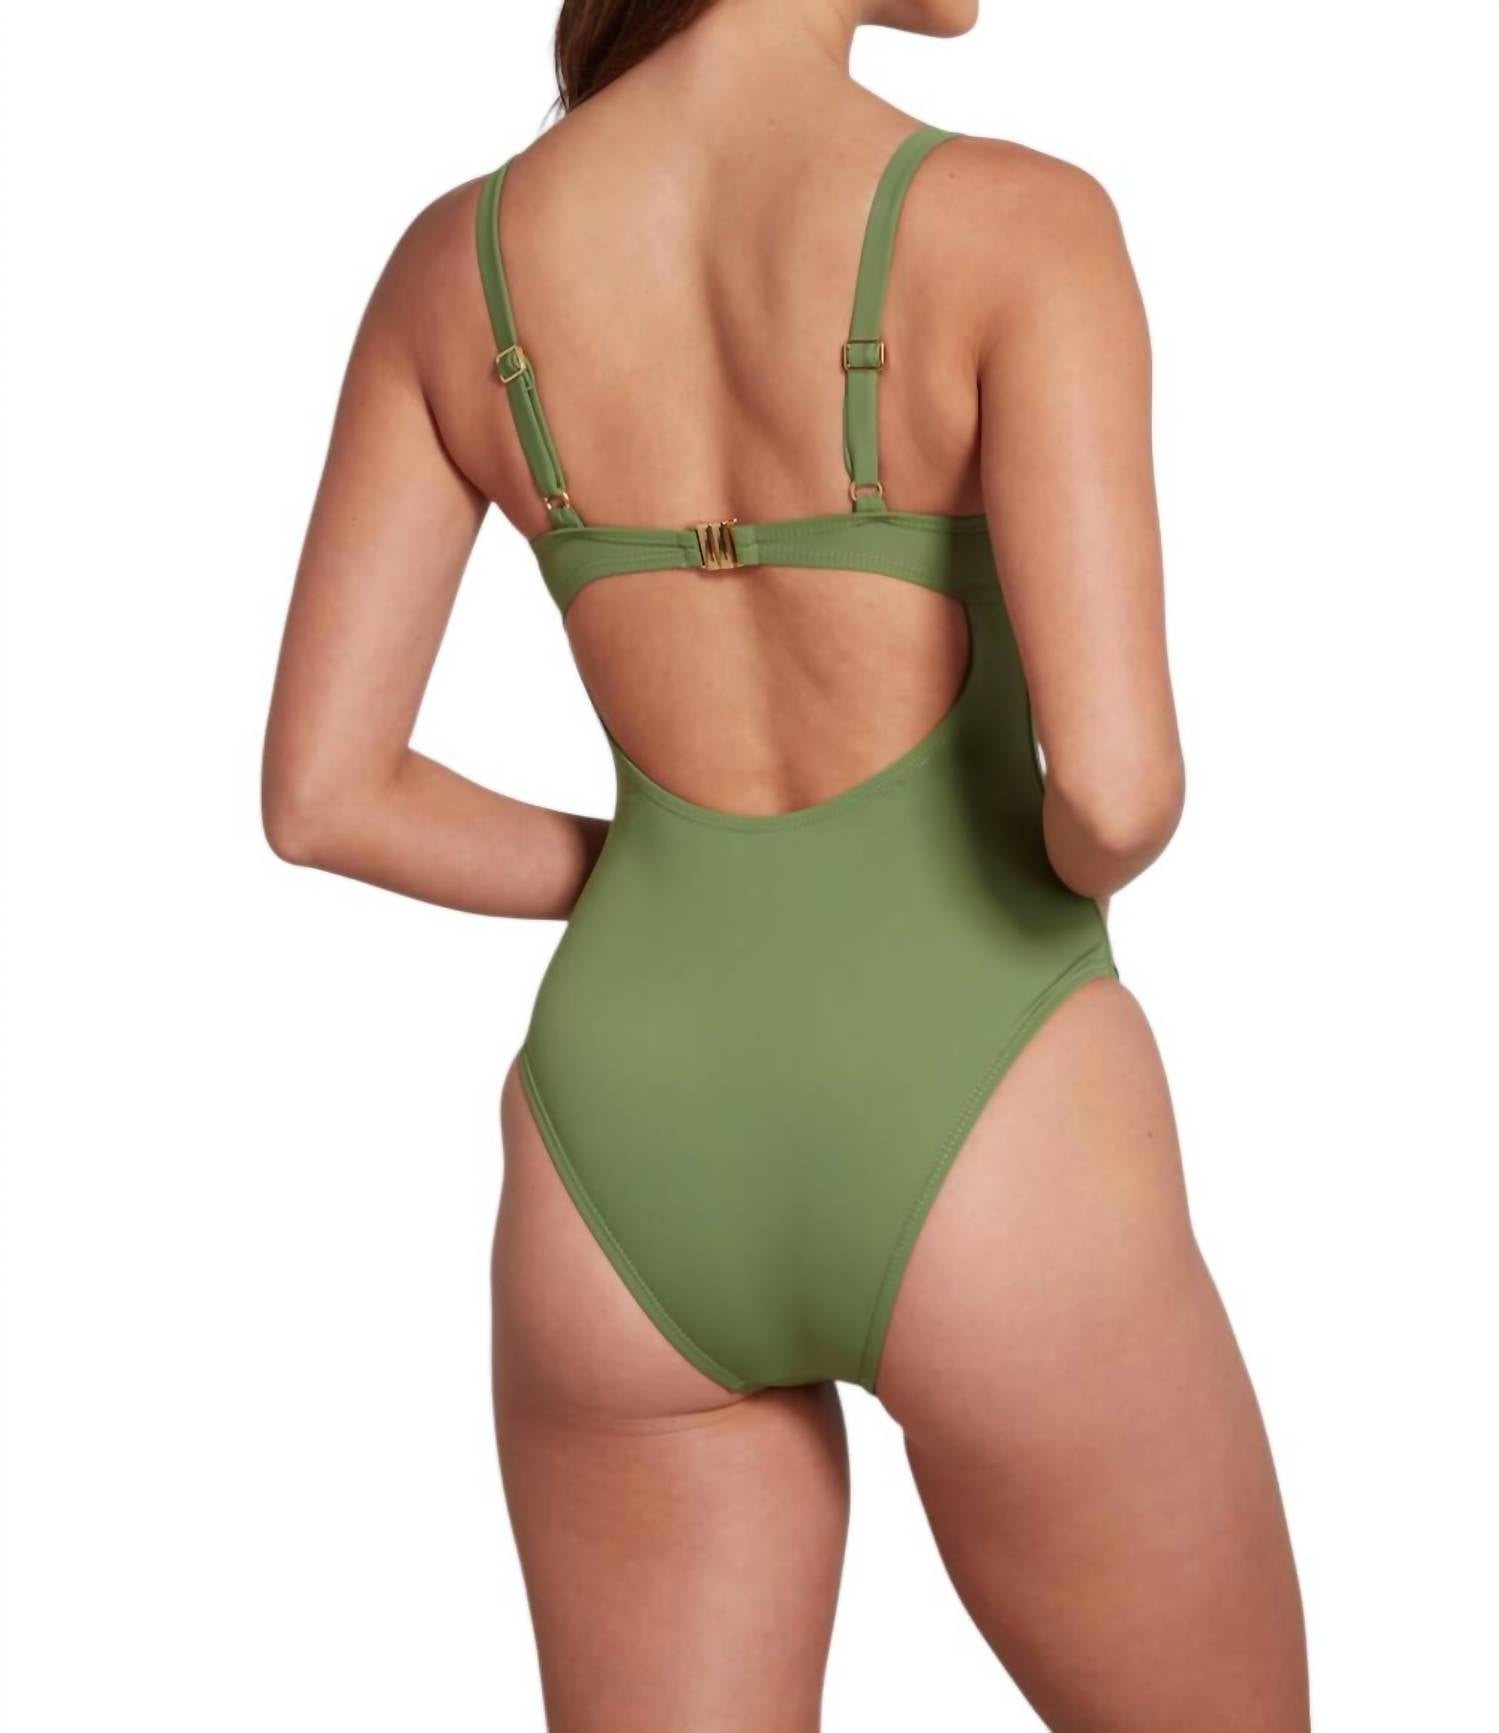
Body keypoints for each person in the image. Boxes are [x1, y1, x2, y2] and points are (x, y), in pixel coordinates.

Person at [262, 0, 1309, 1725]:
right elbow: (1120, 793)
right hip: (988, 1098)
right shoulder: (1021, 225)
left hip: (621, 1156)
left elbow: (324, 794)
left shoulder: (458, 269)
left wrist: (662, 876)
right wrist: (1026, 868)